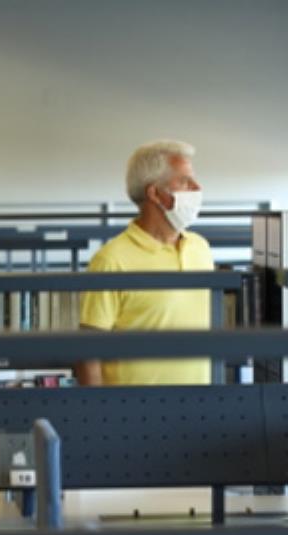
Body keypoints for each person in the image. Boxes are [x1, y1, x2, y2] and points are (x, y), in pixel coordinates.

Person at [75, 139, 214, 386]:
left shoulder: (200, 247)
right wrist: (97, 417)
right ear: (154, 193)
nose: (197, 187)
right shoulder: (111, 259)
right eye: (184, 181)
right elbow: (88, 352)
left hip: (199, 407)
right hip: (135, 415)